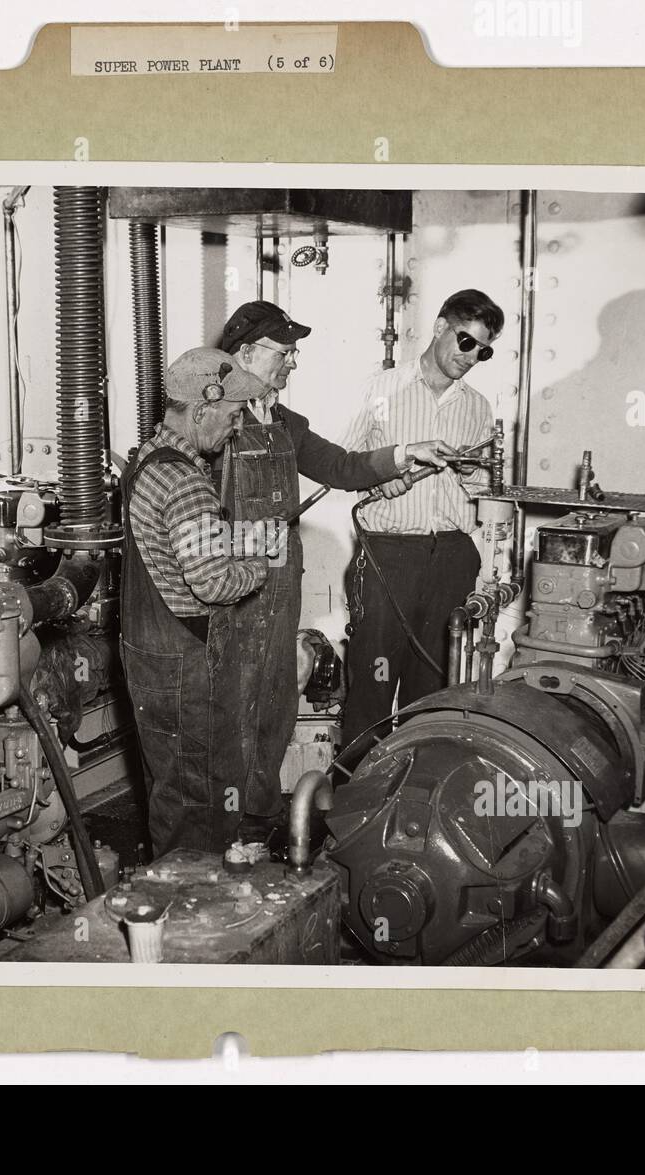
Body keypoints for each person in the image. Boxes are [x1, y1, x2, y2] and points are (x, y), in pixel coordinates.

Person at [217, 300, 458, 841]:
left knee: (275, 705)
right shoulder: (215, 424)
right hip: (229, 592)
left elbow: (344, 466)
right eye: (285, 352)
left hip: (277, 589)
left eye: (295, 353)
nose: (293, 363)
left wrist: (404, 455)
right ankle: (221, 832)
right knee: (229, 712)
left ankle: (256, 826)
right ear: (246, 353)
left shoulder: (282, 422)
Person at [120, 347, 280, 857]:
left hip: (148, 654)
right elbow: (212, 585)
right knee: (198, 800)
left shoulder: (148, 457)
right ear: (201, 408)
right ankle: (194, 913)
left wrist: (238, 537)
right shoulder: (188, 479)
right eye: (232, 416)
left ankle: (176, 906)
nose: (235, 429)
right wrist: (258, 568)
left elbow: (181, 542)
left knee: (170, 788)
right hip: (183, 665)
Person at [338, 288, 505, 748]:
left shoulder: (477, 408)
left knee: (433, 689)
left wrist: (475, 476)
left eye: (483, 350)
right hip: (390, 554)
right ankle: (356, 798)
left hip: (452, 556)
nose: (471, 357)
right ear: (438, 327)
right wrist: (379, 479)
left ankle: (414, 797)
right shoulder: (381, 389)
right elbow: (341, 464)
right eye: (464, 341)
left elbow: (481, 493)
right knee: (372, 685)